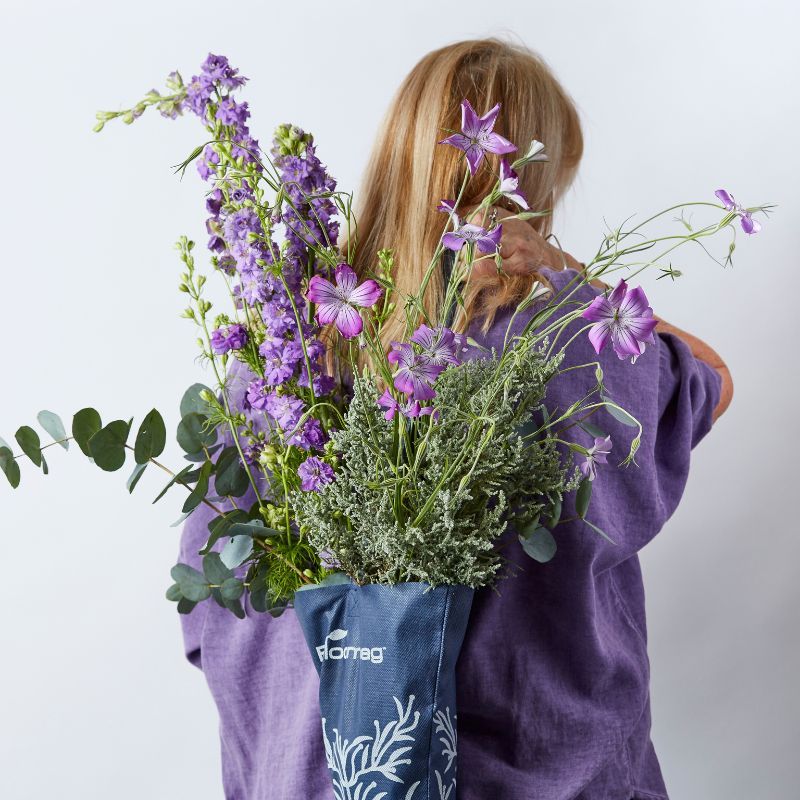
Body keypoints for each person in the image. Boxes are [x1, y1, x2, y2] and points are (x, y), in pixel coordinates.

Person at [178, 38, 731, 799]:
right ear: (529, 185)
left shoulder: (286, 342)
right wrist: (566, 273)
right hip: (544, 767)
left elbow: (215, 588)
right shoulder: (571, 343)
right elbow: (713, 378)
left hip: (327, 769)